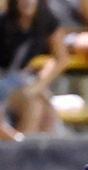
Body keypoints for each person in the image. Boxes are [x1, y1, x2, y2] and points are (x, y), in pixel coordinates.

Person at [0, 0, 68, 139]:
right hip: (3, 79)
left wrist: (38, 86)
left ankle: (35, 151)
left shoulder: (45, 19)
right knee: (33, 105)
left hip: (20, 78)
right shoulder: (4, 21)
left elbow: (61, 58)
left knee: (44, 105)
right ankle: (23, 151)